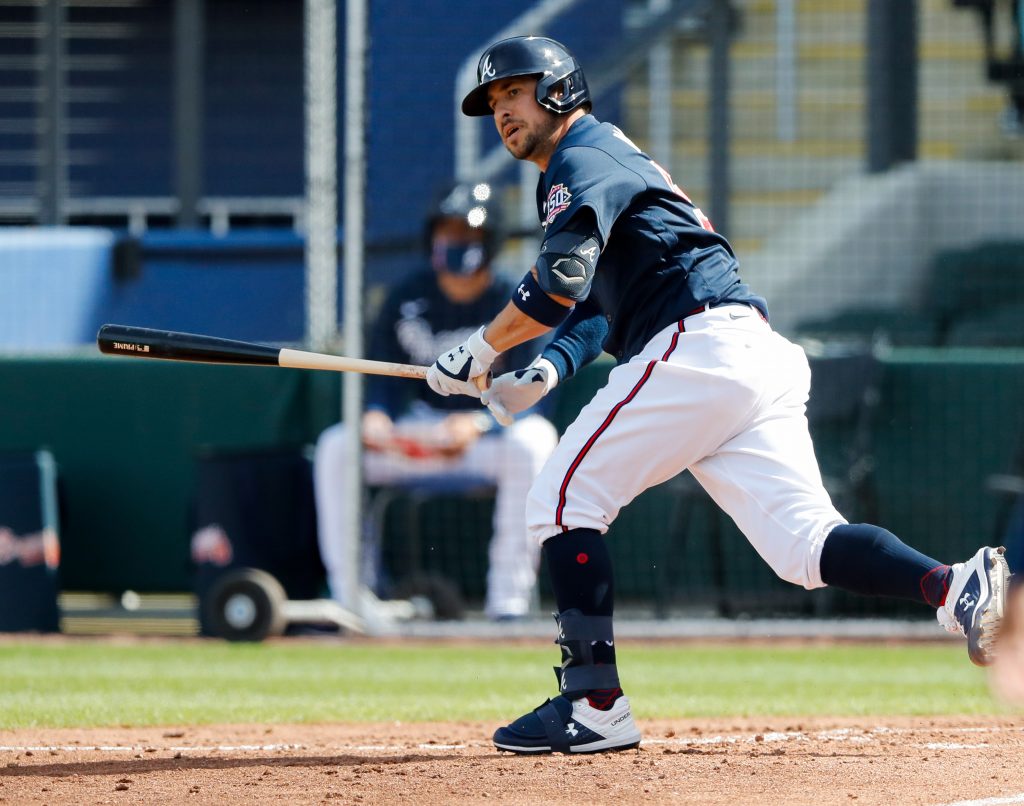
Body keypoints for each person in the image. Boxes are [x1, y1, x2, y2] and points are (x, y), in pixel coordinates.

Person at [425, 35, 1012, 755]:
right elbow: (600, 304)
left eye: (512, 93)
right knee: (805, 547)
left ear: (557, 91)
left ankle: (595, 704)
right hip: (744, 353)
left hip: (696, 348)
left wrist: (482, 346)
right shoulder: (602, 162)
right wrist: (542, 374)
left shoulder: (580, 156)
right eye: (492, 104)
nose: (501, 114)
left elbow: (561, 281)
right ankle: (955, 587)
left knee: (560, 502)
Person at [314, 181, 558, 624]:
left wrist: (482, 424)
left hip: (487, 437)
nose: (456, 243)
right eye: (448, 232)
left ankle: (508, 605)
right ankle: (352, 599)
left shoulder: (522, 301)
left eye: (468, 234)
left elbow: (537, 396)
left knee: (534, 442)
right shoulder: (407, 296)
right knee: (336, 447)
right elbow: (382, 380)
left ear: (491, 241)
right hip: (420, 432)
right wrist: (376, 416)